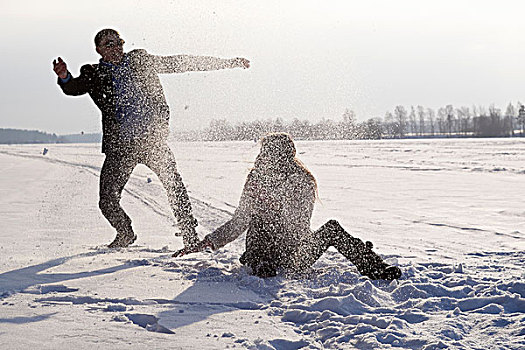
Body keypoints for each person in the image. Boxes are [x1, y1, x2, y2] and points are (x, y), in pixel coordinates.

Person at [53, 28, 250, 249]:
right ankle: (125, 233)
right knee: (107, 201)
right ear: (99, 50)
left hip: (151, 141)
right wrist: (64, 76)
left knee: (174, 186)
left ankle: (189, 236)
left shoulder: (140, 60)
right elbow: (73, 87)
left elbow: (179, 63)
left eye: (119, 42)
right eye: (109, 44)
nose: (116, 47)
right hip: (121, 146)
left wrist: (227, 63)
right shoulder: (93, 73)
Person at [175, 133, 401, 280]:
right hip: (262, 250)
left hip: (295, 253)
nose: (265, 158)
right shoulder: (256, 179)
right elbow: (240, 220)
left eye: (270, 154)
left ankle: (375, 267)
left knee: (331, 228)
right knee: (260, 220)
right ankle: (261, 263)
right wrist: (207, 242)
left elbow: (298, 224)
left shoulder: (301, 180)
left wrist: (278, 204)